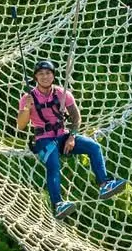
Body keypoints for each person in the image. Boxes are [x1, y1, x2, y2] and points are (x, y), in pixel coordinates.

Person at [16, 60, 125, 218]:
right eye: (40, 74)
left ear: (53, 75)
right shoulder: (28, 97)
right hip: (43, 140)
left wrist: (72, 137)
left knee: (94, 147)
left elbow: (76, 117)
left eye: (48, 73)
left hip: (63, 135)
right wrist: (27, 108)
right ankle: (58, 204)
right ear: (35, 78)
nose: (45, 77)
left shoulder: (62, 93)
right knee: (53, 164)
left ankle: (104, 183)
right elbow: (20, 125)